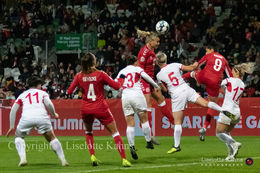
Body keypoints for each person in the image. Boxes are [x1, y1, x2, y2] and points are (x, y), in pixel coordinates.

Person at [67, 52, 131, 167]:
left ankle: (92, 156)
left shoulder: (79, 76)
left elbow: (69, 91)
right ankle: (124, 159)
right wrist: (122, 78)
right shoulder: (100, 74)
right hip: (100, 107)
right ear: (93, 62)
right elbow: (117, 86)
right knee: (115, 133)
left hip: (86, 108)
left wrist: (81, 88)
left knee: (88, 132)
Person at [156, 52, 226, 154]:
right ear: (166, 59)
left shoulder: (159, 75)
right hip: (186, 88)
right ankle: (224, 110)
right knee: (206, 103)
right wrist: (196, 64)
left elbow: (164, 89)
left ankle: (176, 146)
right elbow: (191, 68)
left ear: (157, 62)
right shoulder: (175, 65)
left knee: (177, 122)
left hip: (176, 93)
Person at [6, 76, 68, 167]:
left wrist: (11, 126)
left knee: (18, 136)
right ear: (38, 85)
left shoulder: (22, 95)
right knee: (52, 138)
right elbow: (49, 104)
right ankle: (63, 160)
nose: (41, 87)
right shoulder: (42, 93)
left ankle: (23, 159)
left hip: (26, 118)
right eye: (40, 85)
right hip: (41, 117)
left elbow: (13, 110)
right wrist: (54, 114)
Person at [182, 40, 233, 141]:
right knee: (212, 105)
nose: (206, 53)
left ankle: (181, 78)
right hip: (216, 82)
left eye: (206, 51)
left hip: (204, 77)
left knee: (194, 73)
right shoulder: (224, 59)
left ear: (211, 50)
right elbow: (230, 76)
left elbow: (197, 65)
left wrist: (193, 70)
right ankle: (204, 127)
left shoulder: (209, 56)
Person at [116, 55, 160, 160]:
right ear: (135, 62)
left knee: (130, 124)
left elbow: (116, 83)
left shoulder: (122, 71)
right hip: (137, 95)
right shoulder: (137, 69)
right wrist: (155, 85)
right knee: (144, 120)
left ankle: (131, 146)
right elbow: (147, 77)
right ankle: (149, 141)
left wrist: (121, 91)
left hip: (126, 97)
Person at [137, 29, 174, 145]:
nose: (158, 43)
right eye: (157, 41)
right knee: (148, 105)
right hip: (143, 81)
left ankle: (174, 122)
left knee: (161, 99)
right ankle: (149, 134)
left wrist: (154, 82)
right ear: (151, 41)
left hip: (150, 81)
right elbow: (140, 70)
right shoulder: (145, 52)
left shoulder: (151, 52)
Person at [216, 63, 254, 161]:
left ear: (236, 72)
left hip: (227, 111)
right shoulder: (242, 84)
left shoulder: (228, 80)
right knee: (226, 132)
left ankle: (234, 144)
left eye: (233, 71)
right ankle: (231, 154)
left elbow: (217, 84)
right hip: (236, 113)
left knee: (219, 133)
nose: (231, 72)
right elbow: (230, 91)